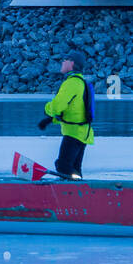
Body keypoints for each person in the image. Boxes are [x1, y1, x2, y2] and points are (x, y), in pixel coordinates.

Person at [38, 50, 95, 179]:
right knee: (73, 168)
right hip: (82, 133)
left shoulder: (71, 83)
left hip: (74, 133)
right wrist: (50, 120)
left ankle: (73, 189)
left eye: (65, 60)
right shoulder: (80, 82)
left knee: (63, 166)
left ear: (72, 63)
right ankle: (77, 190)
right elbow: (73, 112)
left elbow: (58, 106)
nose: (62, 62)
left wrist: (47, 109)